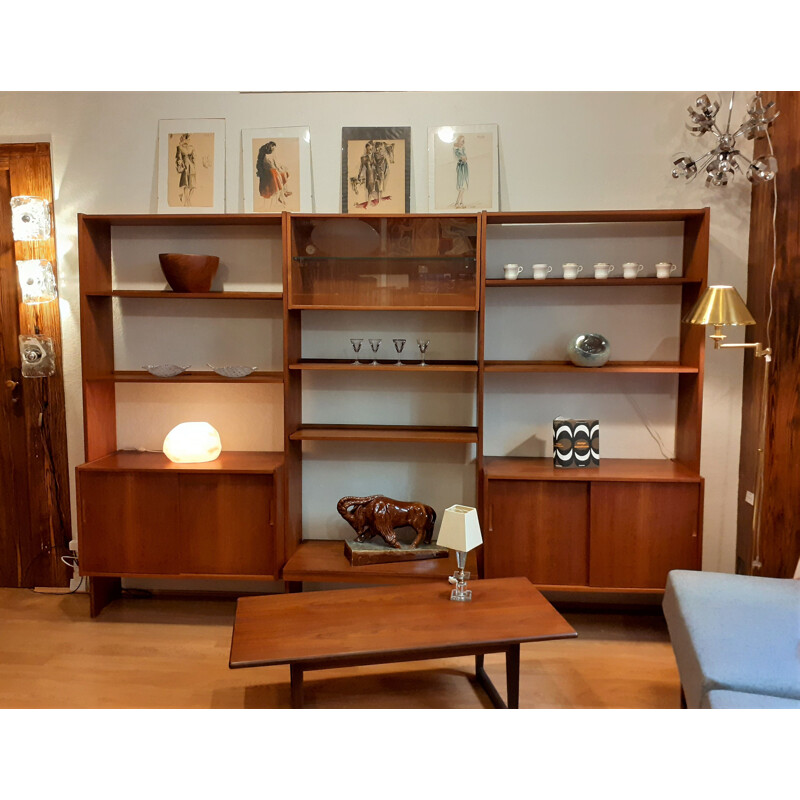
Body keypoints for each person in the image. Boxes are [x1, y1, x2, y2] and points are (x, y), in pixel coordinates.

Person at [255, 140, 292, 207]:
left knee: (284, 173)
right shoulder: (266, 156)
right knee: (280, 175)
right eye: (273, 148)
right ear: (270, 148)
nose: (274, 149)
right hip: (270, 173)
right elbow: (273, 166)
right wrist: (280, 169)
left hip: (273, 170)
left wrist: (282, 168)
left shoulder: (272, 155)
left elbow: (277, 165)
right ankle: (282, 195)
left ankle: (283, 193)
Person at [174, 133, 196, 206]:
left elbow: (194, 158)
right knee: (186, 185)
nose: (186, 140)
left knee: (192, 186)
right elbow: (178, 158)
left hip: (192, 168)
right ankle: (188, 202)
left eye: (187, 139)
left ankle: (188, 201)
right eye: (184, 138)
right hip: (185, 168)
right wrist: (181, 163)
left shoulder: (192, 147)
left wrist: (193, 164)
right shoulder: (179, 147)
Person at [454, 134, 469, 209]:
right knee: (461, 186)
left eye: (464, 141)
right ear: (459, 141)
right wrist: (463, 158)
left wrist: (464, 158)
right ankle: (457, 203)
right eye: (462, 140)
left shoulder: (463, 149)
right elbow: (462, 157)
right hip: (461, 167)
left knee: (463, 186)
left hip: (464, 167)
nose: (463, 142)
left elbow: (465, 157)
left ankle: (461, 203)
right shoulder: (456, 149)